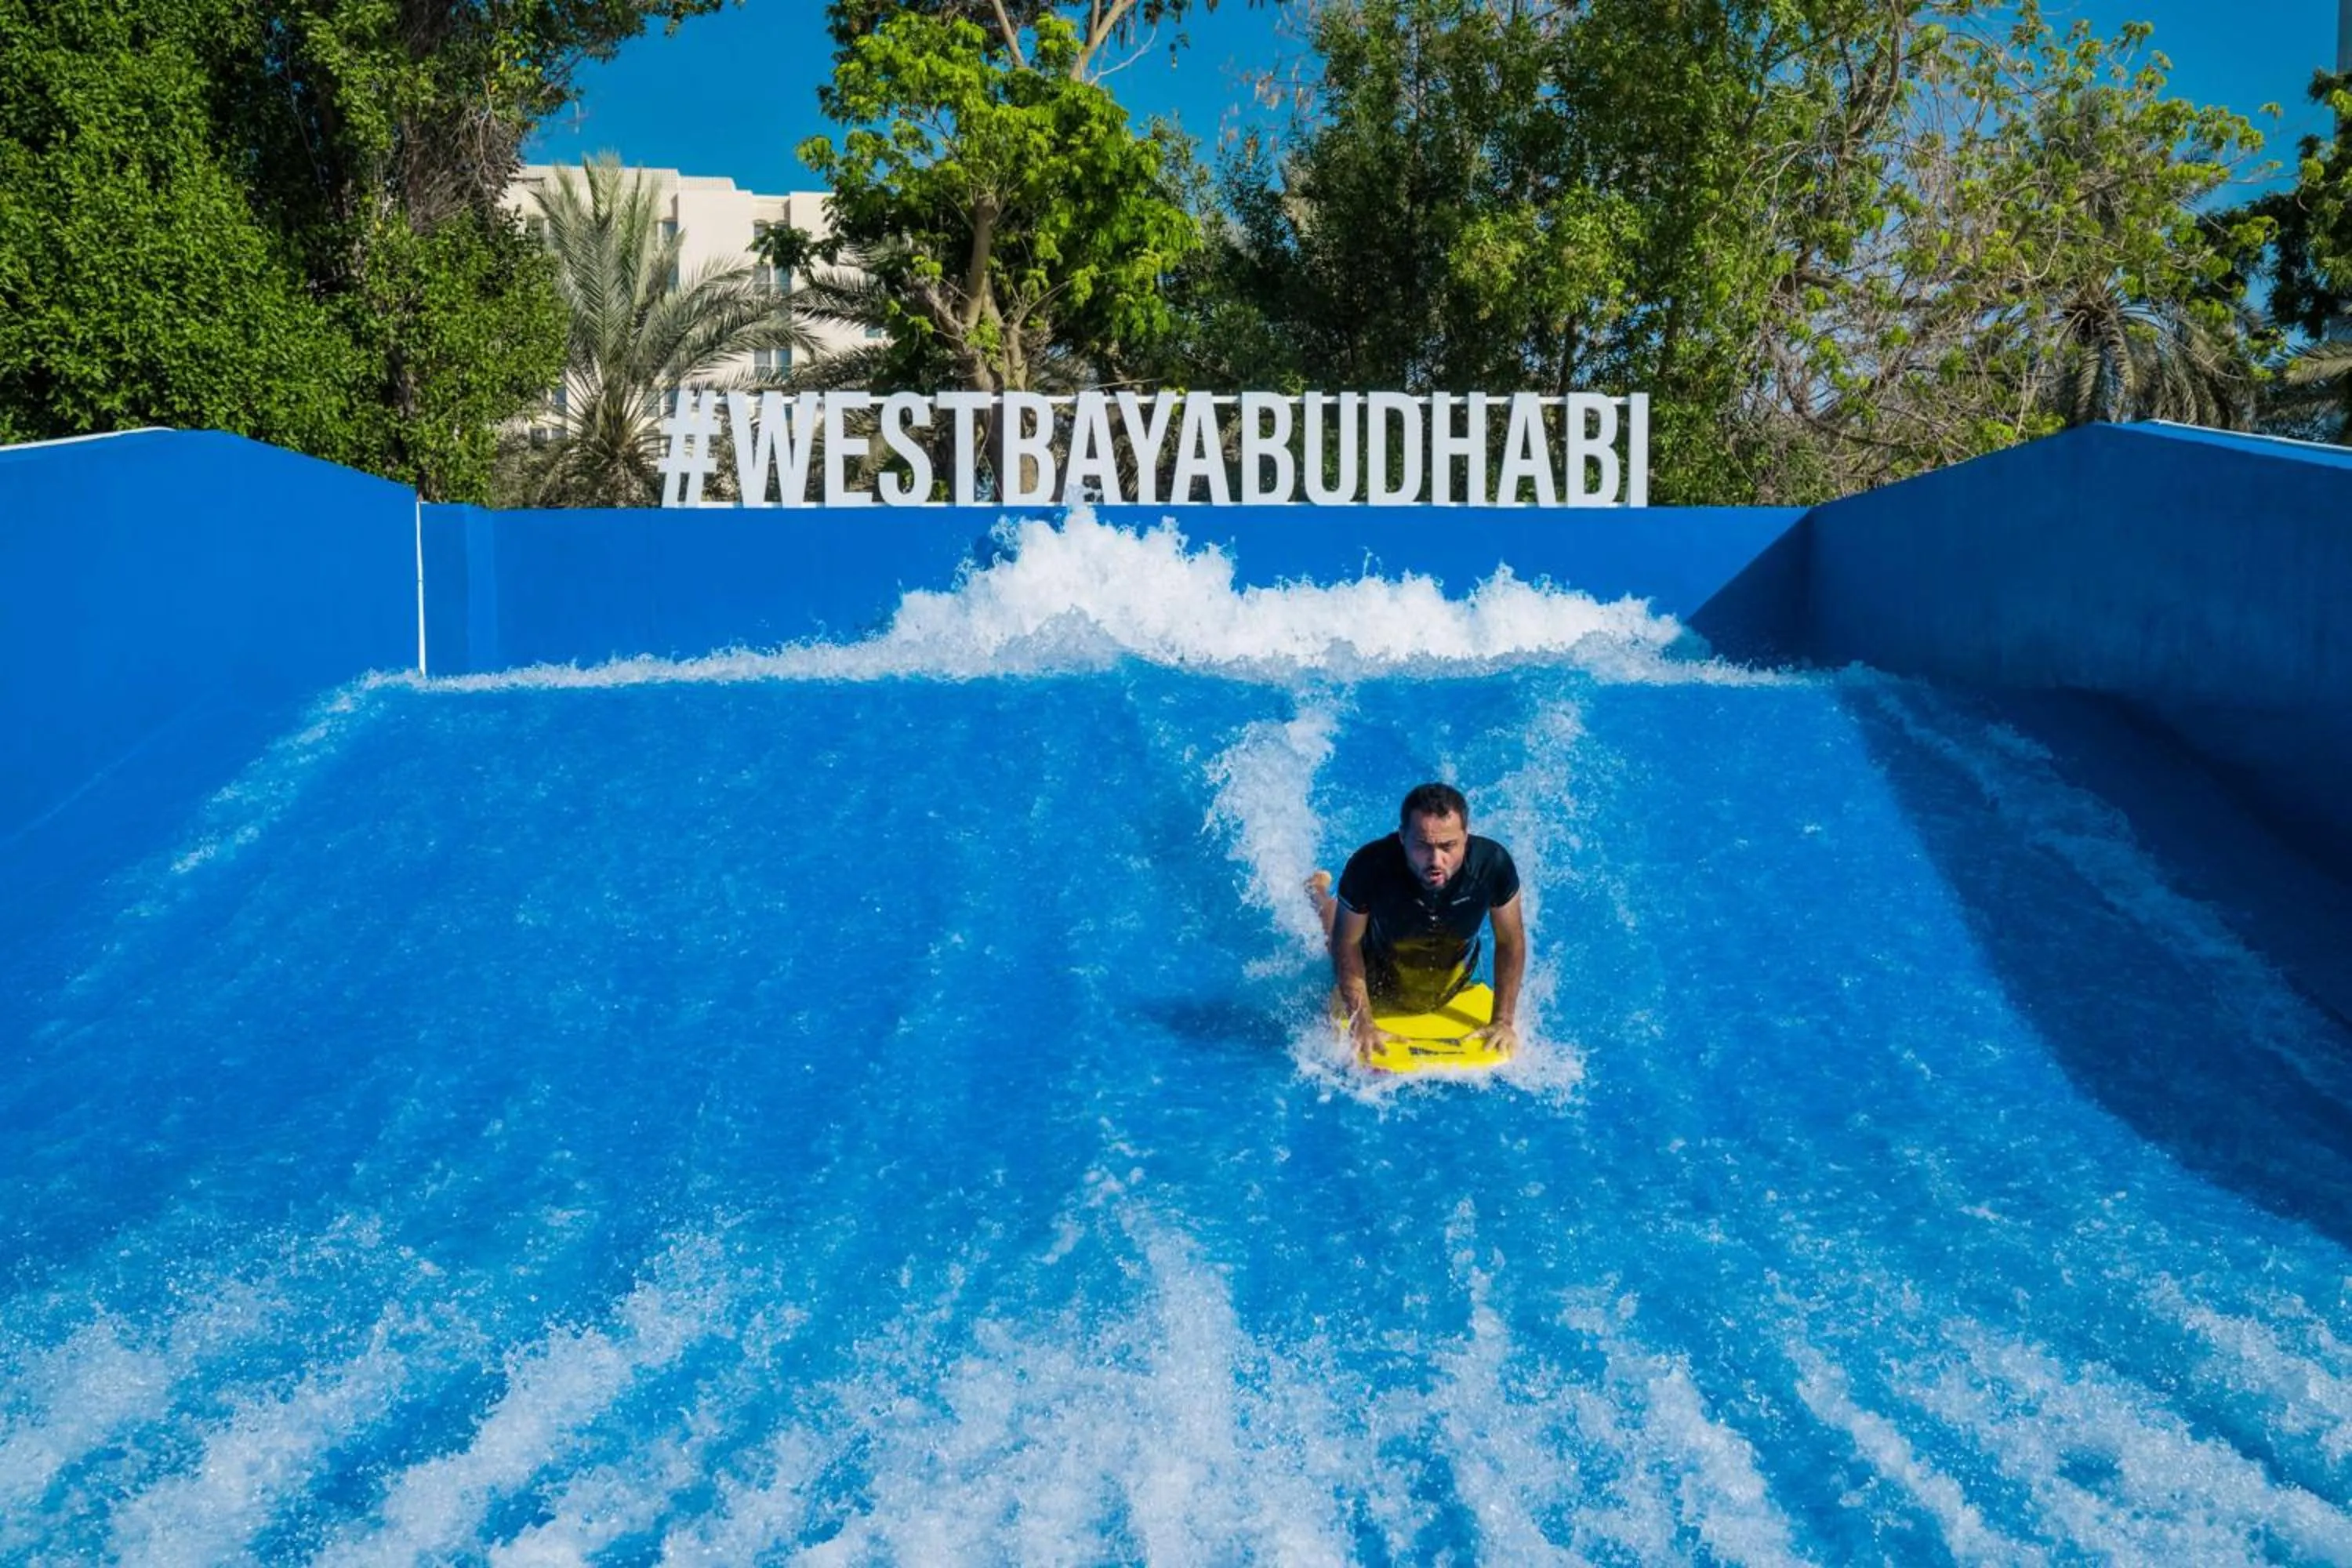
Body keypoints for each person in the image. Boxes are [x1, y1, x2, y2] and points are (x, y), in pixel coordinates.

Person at [1307, 782, 1526, 1065]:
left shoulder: (1492, 865)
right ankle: (1317, 893)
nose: (1436, 860)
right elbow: (1346, 943)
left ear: (1466, 837)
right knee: (1334, 934)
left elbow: (1511, 940)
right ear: (1402, 837)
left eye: (1448, 846)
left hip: (1452, 973)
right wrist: (1362, 1022)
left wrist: (1503, 1020)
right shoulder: (1369, 867)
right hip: (1377, 968)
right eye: (1423, 846)